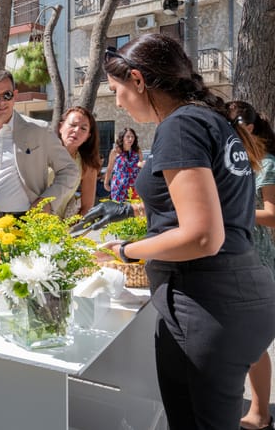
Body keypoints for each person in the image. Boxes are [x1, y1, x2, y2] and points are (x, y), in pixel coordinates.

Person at [84, 34, 275, 429]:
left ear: (138, 80)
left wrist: (126, 250)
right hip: (243, 292)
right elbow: (210, 208)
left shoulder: (180, 126)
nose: (117, 101)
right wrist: (134, 208)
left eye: (117, 90)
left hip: (204, 304)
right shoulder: (213, 120)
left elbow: (203, 236)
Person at [0, 68, 79, 234]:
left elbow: (69, 170)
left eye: (7, 95)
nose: (1, 102)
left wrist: (46, 202)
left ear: (15, 95)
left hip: (22, 221)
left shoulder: (39, 130)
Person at [226, 101, 275, 430]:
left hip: (256, 257)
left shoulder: (266, 164)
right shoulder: (236, 161)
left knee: (252, 340)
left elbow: (272, 216)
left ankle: (260, 414)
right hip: (234, 254)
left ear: (252, 126)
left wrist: (227, 214)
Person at [55, 106, 101, 217]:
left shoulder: (87, 165)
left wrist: (73, 229)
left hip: (58, 229)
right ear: (61, 127)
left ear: (87, 137)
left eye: (83, 129)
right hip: (26, 222)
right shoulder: (41, 152)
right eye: (73, 125)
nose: (76, 131)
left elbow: (87, 207)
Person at [104, 127, 142, 202]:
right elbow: (110, 168)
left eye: (132, 137)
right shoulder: (115, 151)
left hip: (134, 186)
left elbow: (141, 168)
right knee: (119, 210)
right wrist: (106, 183)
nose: (130, 139)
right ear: (122, 138)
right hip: (119, 186)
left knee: (134, 210)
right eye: (128, 136)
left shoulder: (137, 151)